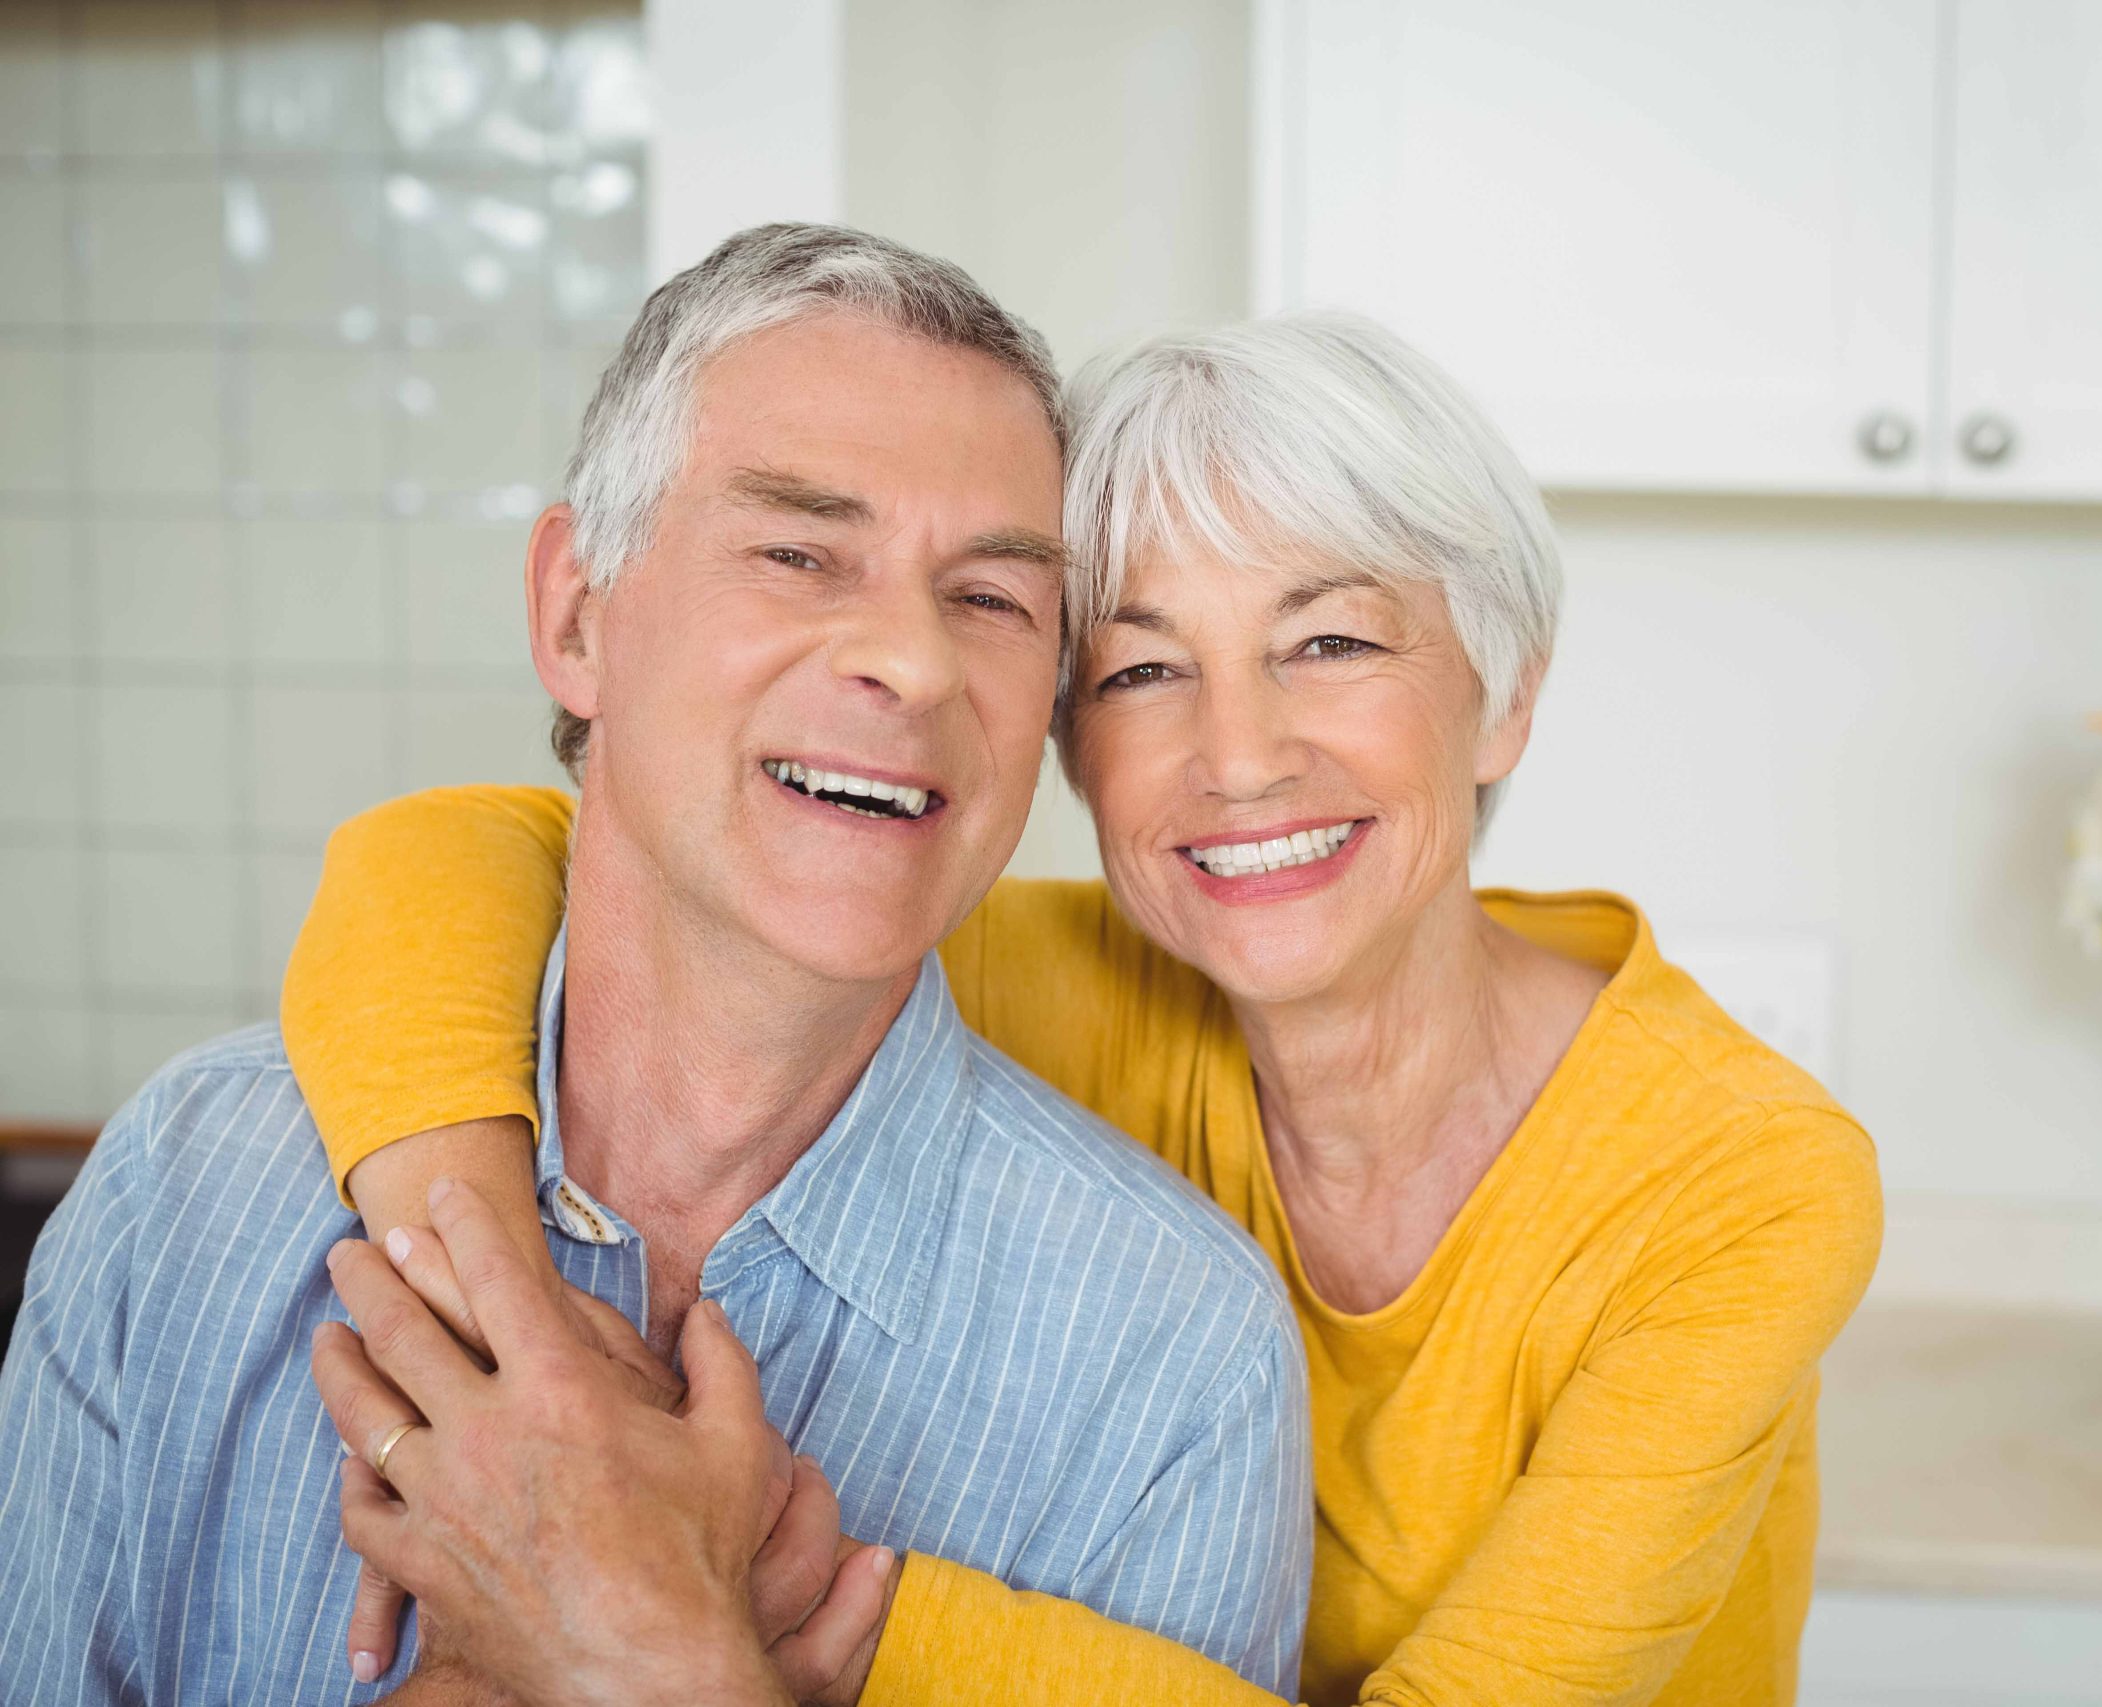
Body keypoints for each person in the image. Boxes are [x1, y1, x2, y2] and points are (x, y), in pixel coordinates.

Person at [286, 308, 1885, 1704]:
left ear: (1507, 692)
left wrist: (757, 1600)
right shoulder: (1056, 979)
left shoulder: (1745, 1181)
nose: (1239, 754)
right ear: (1065, 748)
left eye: (1328, 641)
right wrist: (506, 1338)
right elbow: (485, 852)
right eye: (1138, 672)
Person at [0, 224, 1312, 1707]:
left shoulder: (1175, 1369)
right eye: (799, 552)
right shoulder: (184, 1189)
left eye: (993, 600)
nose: (917, 661)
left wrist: (638, 1653)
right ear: (576, 615)